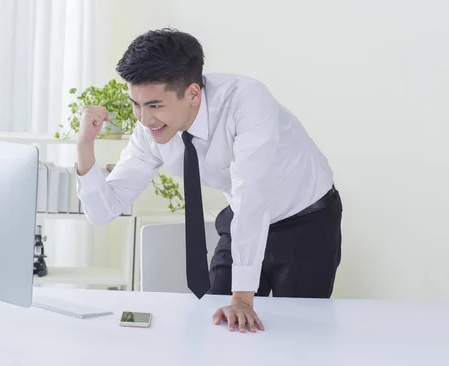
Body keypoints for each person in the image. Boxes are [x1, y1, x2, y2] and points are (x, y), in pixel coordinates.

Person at [75, 28, 343, 334]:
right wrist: (85, 145)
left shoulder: (247, 101)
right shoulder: (149, 133)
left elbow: (253, 194)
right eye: (136, 104)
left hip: (306, 220)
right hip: (241, 218)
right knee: (218, 322)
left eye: (154, 106)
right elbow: (102, 211)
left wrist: (242, 298)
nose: (144, 119)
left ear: (192, 93)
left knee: (297, 332)